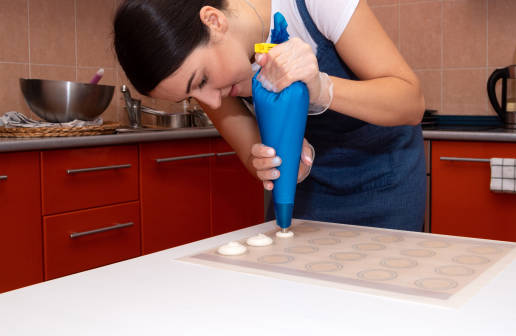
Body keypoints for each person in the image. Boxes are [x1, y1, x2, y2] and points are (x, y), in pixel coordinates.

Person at [114, 0, 426, 231]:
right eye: (190, 96)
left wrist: (319, 87)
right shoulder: (203, 81)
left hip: (383, 178)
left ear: (213, 21)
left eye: (202, 81)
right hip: (306, 190)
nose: (208, 101)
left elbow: (411, 102)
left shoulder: (314, 4)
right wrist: (276, 165)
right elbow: (254, 154)